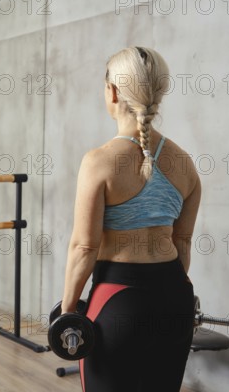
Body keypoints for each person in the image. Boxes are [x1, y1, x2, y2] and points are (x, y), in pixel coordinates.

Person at [61, 47, 201, 391]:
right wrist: (163, 295)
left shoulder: (99, 162)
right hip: (176, 299)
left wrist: (67, 313)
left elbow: (84, 247)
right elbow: (182, 243)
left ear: (111, 92)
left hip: (119, 301)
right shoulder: (186, 164)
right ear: (160, 92)